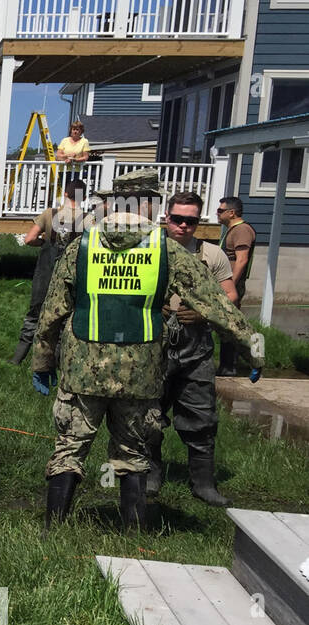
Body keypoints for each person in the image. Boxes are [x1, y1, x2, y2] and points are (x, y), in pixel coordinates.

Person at [32, 169, 263, 531]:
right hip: (139, 376)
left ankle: (52, 529)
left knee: (70, 448)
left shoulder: (82, 246)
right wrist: (253, 349)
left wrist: (42, 360)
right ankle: (133, 533)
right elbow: (216, 305)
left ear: (111, 203)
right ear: (153, 205)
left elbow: (51, 312)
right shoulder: (165, 249)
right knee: (132, 452)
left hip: (81, 373)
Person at [148, 191, 239, 505]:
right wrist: (149, 306)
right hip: (153, 345)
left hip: (195, 347)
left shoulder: (211, 254)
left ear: (199, 221)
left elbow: (230, 294)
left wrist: (205, 311)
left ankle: (203, 484)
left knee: (202, 418)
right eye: (177, 219)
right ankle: (150, 474)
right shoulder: (148, 248)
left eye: (191, 220)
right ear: (166, 218)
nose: (183, 226)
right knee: (149, 414)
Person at [11, 179, 88, 365]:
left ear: (66, 194)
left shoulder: (49, 214)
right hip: (71, 277)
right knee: (64, 318)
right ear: (83, 197)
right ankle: (58, 361)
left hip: (45, 273)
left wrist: (44, 242)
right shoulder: (87, 219)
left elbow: (29, 239)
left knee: (34, 314)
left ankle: (18, 357)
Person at [217, 196, 257, 376]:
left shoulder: (242, 230)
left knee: (230, 325)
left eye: (220, 211)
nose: (217, 214)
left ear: (231, 213)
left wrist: (230, 286)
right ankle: (226, 365)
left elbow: (241, 260)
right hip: (226, 284)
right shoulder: (232, 230)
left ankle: (232, 366)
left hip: (233, 285)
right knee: (225, 325)